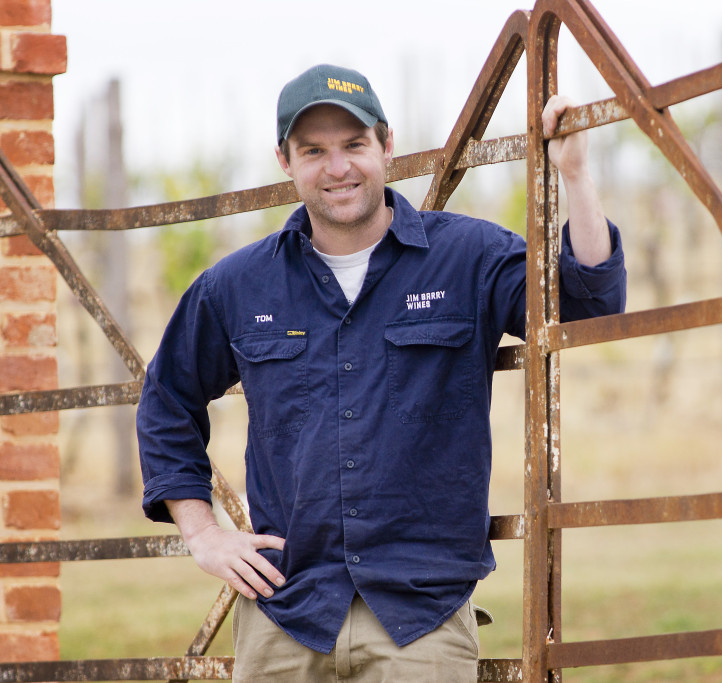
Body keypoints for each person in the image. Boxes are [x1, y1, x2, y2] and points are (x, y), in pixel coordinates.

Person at [137, 63, 626, 681]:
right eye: (314, 151)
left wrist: (575, 174)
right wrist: (203, 533)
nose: (337, 167)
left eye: (354, 144)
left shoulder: (467, 259)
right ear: (285, 161)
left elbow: (588, 307)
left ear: (387, 144)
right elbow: (167, 398)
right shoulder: (239, 285)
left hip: (420, 620)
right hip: (286, 613)